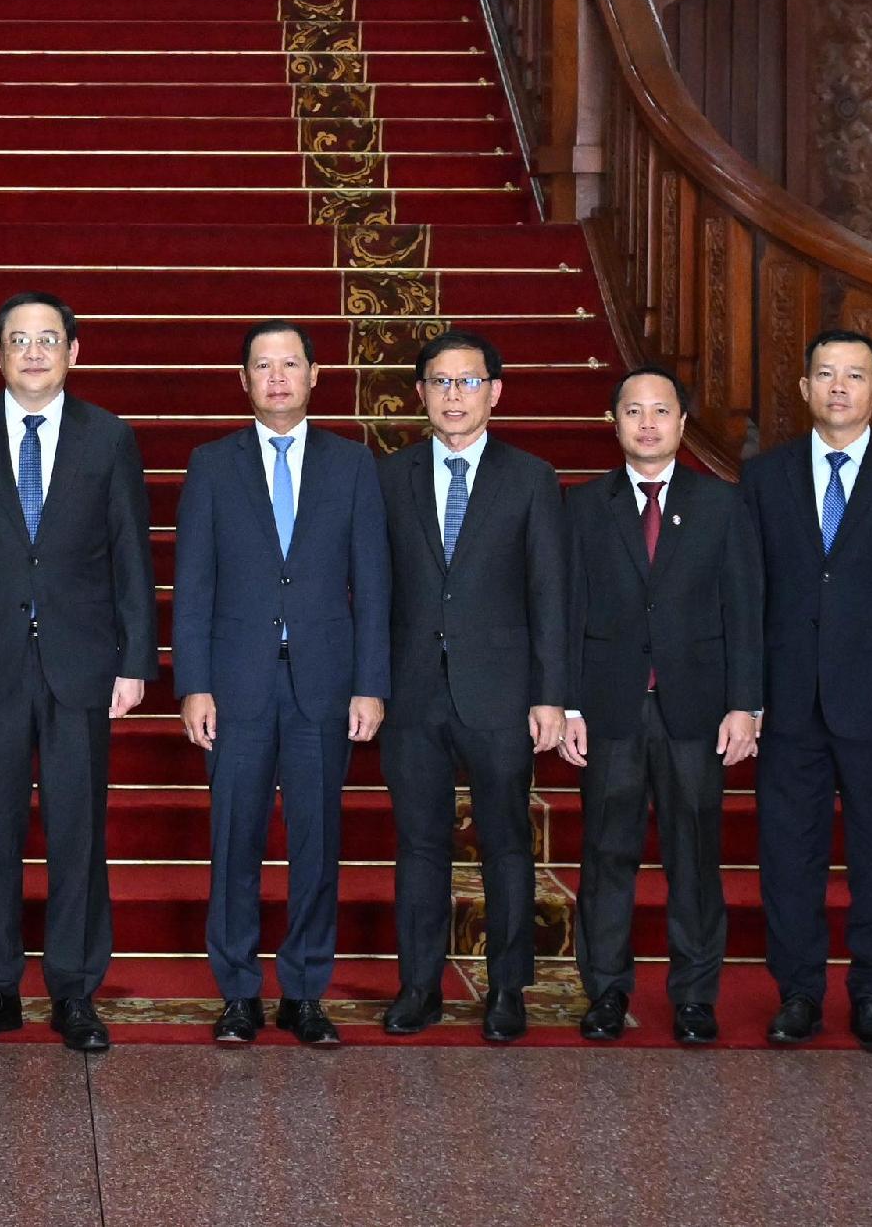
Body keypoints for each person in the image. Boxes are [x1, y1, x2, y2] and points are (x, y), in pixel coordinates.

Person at [0, 292, 154, 1055]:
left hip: (82, 662)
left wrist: (136, 659)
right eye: (19, 340)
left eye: (48, 340)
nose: (34, 352)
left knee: (80, 829)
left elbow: (131, 559)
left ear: (74, 352)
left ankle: (76, 991)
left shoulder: (108, 437)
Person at [741, 325, 872, 1053]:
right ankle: (798, 992)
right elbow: (749, 595)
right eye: (825, 373)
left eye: (854, 375)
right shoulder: (763, 477)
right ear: (804, 388)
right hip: (789, 698)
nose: (839, 386)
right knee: (788, 854)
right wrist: (749, 695)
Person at [173, 320, 385, 1048]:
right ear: (243, 380)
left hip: (325, 686)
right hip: (235, 686)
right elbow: (193, 582)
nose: (277, 377)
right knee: (234, 841)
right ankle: (237, 992)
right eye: (262, 366)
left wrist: (371, 684)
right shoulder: (211, 464)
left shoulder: (354, 465)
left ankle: (304, 990)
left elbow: (374, 587)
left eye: (290, 364)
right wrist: (192, 684)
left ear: (316, 374)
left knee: (316, 844)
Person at [375, 329, 567, 1042]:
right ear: (420, 393)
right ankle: (418, 985)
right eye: (441, 383)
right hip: (412, 690)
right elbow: (373, 589)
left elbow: (550, 593)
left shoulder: (531, 477)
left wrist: (550, 695)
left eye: (469, 382)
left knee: (507, 841)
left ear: (495, 392)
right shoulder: (388, 476)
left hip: (501, 691)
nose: (454, 395)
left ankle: (506, 990)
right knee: (419, 843)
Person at [561, 362, 760, 1046]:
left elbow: (744, 610)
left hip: (697, 711)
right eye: (633, 411)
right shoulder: (584, 506)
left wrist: (746, 704)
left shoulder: (722, 505)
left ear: (681, 422)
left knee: (695, 857)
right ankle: (607, 992)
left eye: (660, 411)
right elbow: (567, 609)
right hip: (609, 706)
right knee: (605, 855)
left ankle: (695, 996)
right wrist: (566, 705)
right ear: (612, 423)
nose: (647, 423)